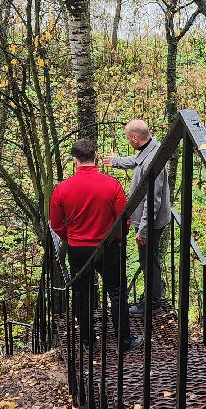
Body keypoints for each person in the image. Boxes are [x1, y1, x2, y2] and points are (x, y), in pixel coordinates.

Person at [50, 138, 136, 352]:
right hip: (107, 247)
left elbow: (56, 224)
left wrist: (70, 239)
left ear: (74, 160)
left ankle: (89, 341)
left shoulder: (62, 189)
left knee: (82, 294)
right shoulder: (112, 185)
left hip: (78, 249)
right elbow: (123, 219)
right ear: (95, 157)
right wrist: (117, 238)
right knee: (116, 292)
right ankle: (124, 342)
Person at [107, 119, 172, 321]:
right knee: (149, 260)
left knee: (148, 261)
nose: (128, 141)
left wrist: (143, 229)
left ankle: (152, 303)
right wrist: (117, 161)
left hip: (150, 222)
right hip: (149, 220)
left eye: (128, 138)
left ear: (135, 138)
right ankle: (151, 298)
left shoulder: (155, 163)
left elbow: (152, 200)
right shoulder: (152, 147)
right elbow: (137, 161)